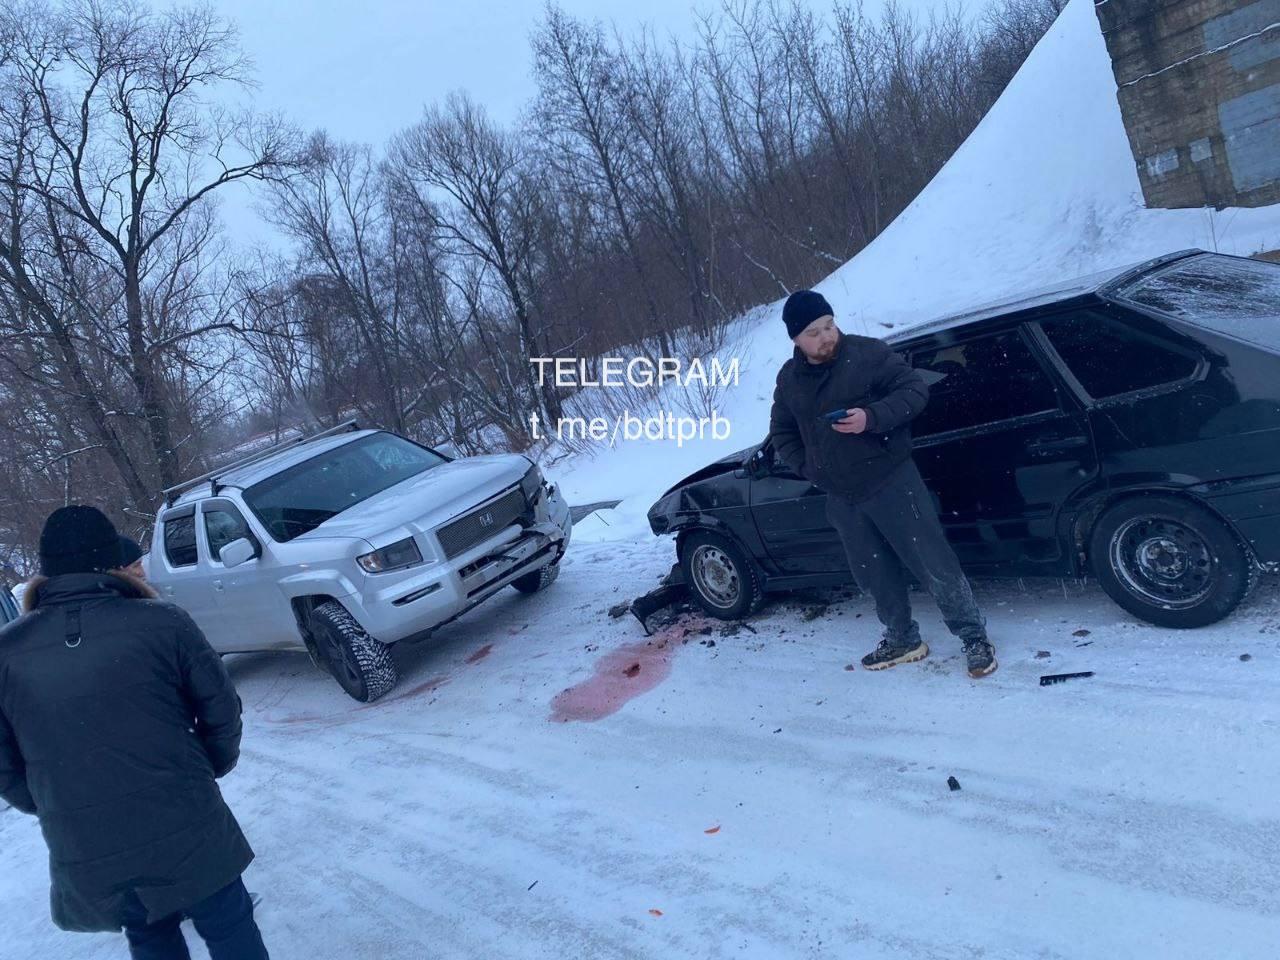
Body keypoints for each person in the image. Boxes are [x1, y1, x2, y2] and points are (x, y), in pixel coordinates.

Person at [0, 505, 270, 959]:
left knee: (149, 935)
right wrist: (206, 768)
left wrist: (54, 802)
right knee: (229, 924)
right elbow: (222, 711)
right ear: (110, 561)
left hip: (88, 839)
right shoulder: (164, 622)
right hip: (186, 817)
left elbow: (4, 765)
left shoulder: (7, 653)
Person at [769, 290, 998, 678]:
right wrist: (810, 468)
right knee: (873, 572)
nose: (826, 337)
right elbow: (782, 431)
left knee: (933, 562)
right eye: (814, 332)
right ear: (795, 338)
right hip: (842, 494)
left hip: (891, 480)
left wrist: (871, 417)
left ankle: (973, 636)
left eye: (829, 325)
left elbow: (914, 391)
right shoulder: (790, 380)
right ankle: (903, 638)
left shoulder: (868, 354)